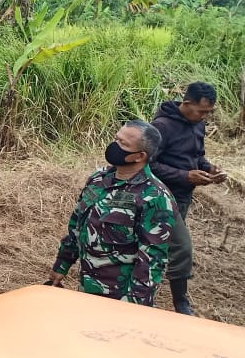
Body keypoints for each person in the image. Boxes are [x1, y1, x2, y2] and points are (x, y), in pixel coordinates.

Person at [50, 121, 177, 306]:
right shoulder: (98, 179)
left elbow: (152, 260)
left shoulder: (155, 197)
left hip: (121, 297)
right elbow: (77, 226)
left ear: (140, 156)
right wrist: (62, 265)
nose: (115, 146)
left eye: (124, 144)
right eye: (116, 139)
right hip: (87, 287)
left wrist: (132, 304)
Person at [150, 82, 226, 315]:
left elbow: (197, 156)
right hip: (160, 196)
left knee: (158, 246)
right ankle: (180, 303)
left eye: (208, 113)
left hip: (183, 196)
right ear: (186, 103)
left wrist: (210, 169)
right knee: (182, 247)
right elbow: (147, 164)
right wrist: (185, 175)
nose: (204, 117)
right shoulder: (161, 127)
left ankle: (144, 293)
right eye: (201, 111)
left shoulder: (198, 125)